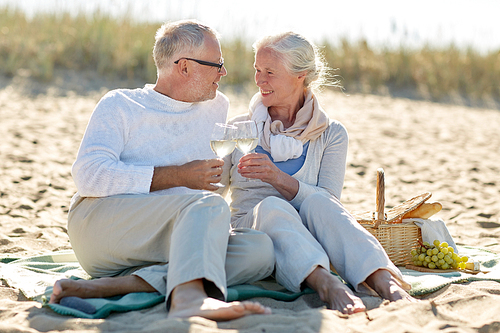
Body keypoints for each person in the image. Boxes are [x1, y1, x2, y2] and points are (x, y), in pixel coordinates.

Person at [48, 20, 275, 321]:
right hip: (100, 229)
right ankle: (189, 298)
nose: (224, 73)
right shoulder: (121, 105)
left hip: (171, 235)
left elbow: (212, 181)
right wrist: (178, 176)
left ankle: (122, 285)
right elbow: (89, 174)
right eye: (217, 64)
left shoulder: (216, 106)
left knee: (261, 250)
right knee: (208, 205)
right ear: (183, 67)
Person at [221, 32, 416, 314]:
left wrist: (277, 177)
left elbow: (328, 205)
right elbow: (212, 193)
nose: (259, 80)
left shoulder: (331, 134)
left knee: (319, 202)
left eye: (270, 72)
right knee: (274, 205)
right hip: (254, 232)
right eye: (257, 70)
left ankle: (386, 282)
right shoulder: (240, 128)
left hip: (311, 233)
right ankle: (328, 285)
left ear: (301, 75)